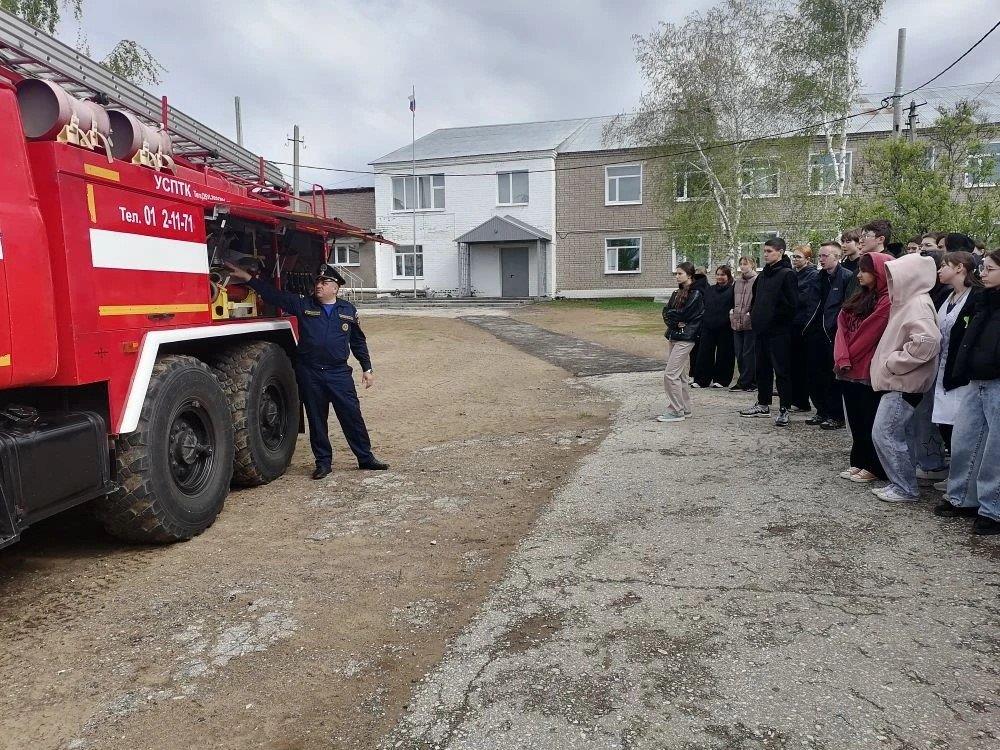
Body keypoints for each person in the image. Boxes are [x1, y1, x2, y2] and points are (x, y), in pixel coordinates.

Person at [226, 261, 389, 479]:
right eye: (318, 282)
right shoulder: (304, 305)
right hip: (311, 373)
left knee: (352, 417)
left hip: (339, 374)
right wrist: (249, 279)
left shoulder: (347, 310)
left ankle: (365, 458)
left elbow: (358, 342)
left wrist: (367, 368)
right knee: (316, 420)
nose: (319, 285)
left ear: (335, 287)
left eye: (324, 282)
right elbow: (274, 295)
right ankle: (323, 463)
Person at [936, 249, 1000, 535]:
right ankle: (961, 497)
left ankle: (993, 509)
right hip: (976, 379)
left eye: (989, 268)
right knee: (966, 440)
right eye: (983, 268)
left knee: (995, 450)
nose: (982, 273)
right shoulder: (984, 299)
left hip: (996, 380)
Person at [869, 254, 942, 502]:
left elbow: (928, 342)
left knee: (885, 433)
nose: (890, 280)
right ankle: (902, 484)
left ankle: (905, 487)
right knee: (898, 434)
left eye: (894, 276)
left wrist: (894, 363)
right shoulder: (909, 302)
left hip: (904, 383)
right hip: (901, 382)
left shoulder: (917, 304)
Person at [833, 252, 893, 484]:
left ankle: (873, 465)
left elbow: (869, 333)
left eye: (865, 270)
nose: (859, 275)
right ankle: (858, 461)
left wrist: (848, 356)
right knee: (856, 420)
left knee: (869, 419)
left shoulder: (887, 300)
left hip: (867, 369)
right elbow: (841, 328)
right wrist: (841, 357)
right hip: (848, 369)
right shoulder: (859, 297)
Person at [930, 251, 982, 470]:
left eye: (944, 266)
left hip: (960, 373)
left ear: (960, 268)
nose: (939, 270)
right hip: (941, 367)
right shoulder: (946, 295)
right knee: (943, 421)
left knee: (959, 425)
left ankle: (963, 475)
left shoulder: (976, 296)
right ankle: (954, 474)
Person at [740, 238, 798, 426]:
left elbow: (791, 305)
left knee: (781, 371)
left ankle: (784, 408)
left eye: (769, 251)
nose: (765, 254)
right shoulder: (763, 274)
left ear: (780, 252)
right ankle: (763, 403)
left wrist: (774, 320)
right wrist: (756, 318)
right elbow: (756, 299)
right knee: (762, 369)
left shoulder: (787, 274)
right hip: (761, 331)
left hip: (779, 332)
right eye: (764, 251)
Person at [802, 241, 853, 429]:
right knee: (814, 375)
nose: (821, 259)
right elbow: (810, 304)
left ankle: (836, 415)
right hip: (815, 332)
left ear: (837, 257)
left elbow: (848, 307)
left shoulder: (846, 277)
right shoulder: (816, 278)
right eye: (820, 256)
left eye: (825, 256)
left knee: (832, 378)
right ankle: (821, 410)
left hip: (833, 333)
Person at [659, 262, 705, 422]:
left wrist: (676, 316)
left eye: (680, 273)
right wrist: (674, 318)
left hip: (686, 337)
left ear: (689, 275)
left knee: (670, 374)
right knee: (680, 375)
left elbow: (684, 314)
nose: (677, 276)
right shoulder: (676, 293)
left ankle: (676, 410)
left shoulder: (696, 293)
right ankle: (684, 409)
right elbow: (667, 312)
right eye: (676, 274)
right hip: (674, 335)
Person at [693, 265, 735, 388]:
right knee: (704, 353)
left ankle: (721, 379)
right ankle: (701, 380)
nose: (719, 277)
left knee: (724, 353)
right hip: (708, 325)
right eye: (718, 274)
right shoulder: (710, 290)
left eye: (722, 274)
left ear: (728, 276)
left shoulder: (732, 290)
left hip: (725, 326)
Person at [790, 244, 819, 412]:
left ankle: (802, 400)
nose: (795, 260)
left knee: (802, 364)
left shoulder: (812, 275)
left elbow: (805, 299)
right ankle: (796, 398)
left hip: (803, 323)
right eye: (794, 257)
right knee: (793, 363)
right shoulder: (793, 274)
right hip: (792, 322)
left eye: (798, 257)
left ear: (807, 259)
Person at [729, 257, 758, 392]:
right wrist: (732, 313)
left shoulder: (757, 280)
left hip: (750, 322)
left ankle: (747, 382)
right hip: (736, 320)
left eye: (745, 264)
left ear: (752, 265)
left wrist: (750, 314)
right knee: (739, 352)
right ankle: (745, 379)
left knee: (748, 353)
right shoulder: (738, 282)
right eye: (740, 264)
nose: (742, 266)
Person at [688, 267, 711, 387]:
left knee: (694, 351)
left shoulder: (693, 287)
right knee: (703, 351)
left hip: (694, 322)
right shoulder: (708, 286)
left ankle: (693, 375)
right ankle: (699, 375)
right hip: (705, 321)